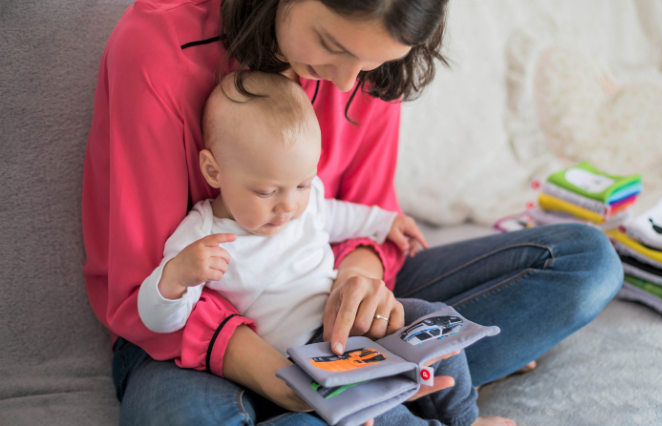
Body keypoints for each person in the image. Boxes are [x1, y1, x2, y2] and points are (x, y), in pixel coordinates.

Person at [83, 0, 624, 424]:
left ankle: (371, 392)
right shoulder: (156, 49)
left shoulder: (367, 66)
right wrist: (281, 377)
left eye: (375, 62)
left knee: (586, 264)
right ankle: (370, 397)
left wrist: (359, 286)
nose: (345, 83)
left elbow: (366, 213)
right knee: (179, 417)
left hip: (324, 301)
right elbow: (143, 289)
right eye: (330, 44)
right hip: (187, 335)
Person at [136, 71, 511, 425]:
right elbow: (160, 321)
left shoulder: (302, 198)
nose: (288, 206)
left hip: (350, 317)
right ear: (214, 171)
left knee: (436, 320)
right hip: (306, 354)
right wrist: (175, 278)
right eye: (266, 192)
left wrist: (384, 223)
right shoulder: (201, 235)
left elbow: (334, 215)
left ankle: (465, 418)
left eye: (302, 185)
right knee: (371, 403)